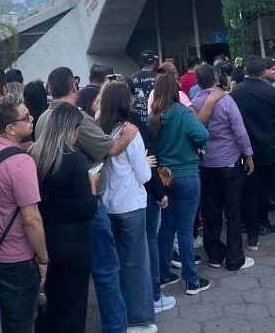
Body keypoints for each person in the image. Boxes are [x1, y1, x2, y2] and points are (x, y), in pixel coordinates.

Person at [36, 67, 137, 333]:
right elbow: (110, 148)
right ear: (74, 86)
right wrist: (127, 137)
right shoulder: (75, 118)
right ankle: (116, 326)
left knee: (64, 279)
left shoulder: (42, 118)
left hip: (55, 212)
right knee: (106, 268)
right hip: (86, 203)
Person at [0, 93, 48, 333]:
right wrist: (43, 258)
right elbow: (31, 219)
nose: (32, 119)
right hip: (16, 259)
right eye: (26, 117)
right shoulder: (21, 162)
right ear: (11, 128)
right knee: (20, 324)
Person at [29, 104, 98, 332]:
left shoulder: (33, 156)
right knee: (73, 305)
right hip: (73, 241)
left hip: (42, 239)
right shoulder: (74, 160)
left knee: (47, 306)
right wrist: (93, 187)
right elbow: (87, 209)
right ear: (71, 128)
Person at [96, 81, 156, 331]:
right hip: (131, 204)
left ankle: (119, 314)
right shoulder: (131, 132)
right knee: (136, 262)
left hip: (107, 204)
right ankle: (139, 317)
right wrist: (145, 161)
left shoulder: (99, 130)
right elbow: (144, 176)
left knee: (116, 263)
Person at [151, 72, 210, 295]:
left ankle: (163, 274)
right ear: (176, 90)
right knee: (185, 230)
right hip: (187, 174)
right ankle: (192, 280)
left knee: (166, 227)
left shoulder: (154, 115)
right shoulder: (183, 114)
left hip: (165, 177)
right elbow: (202, 136)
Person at [232, 56, 275, 253]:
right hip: (274, 149)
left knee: (252, 194)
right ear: (262, 72)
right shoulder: (270, 91)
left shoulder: (236, 92)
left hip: (249, 151)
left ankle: (253, 238)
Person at [193, 63, 254, 272]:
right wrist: (248, 154)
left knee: (211, 210)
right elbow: (240, 130)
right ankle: (235, 257)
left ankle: (215, 254)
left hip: (206, 164)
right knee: (233, 211)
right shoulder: (226, 100)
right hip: (229, 162)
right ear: (215, 78)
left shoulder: (193, 103)